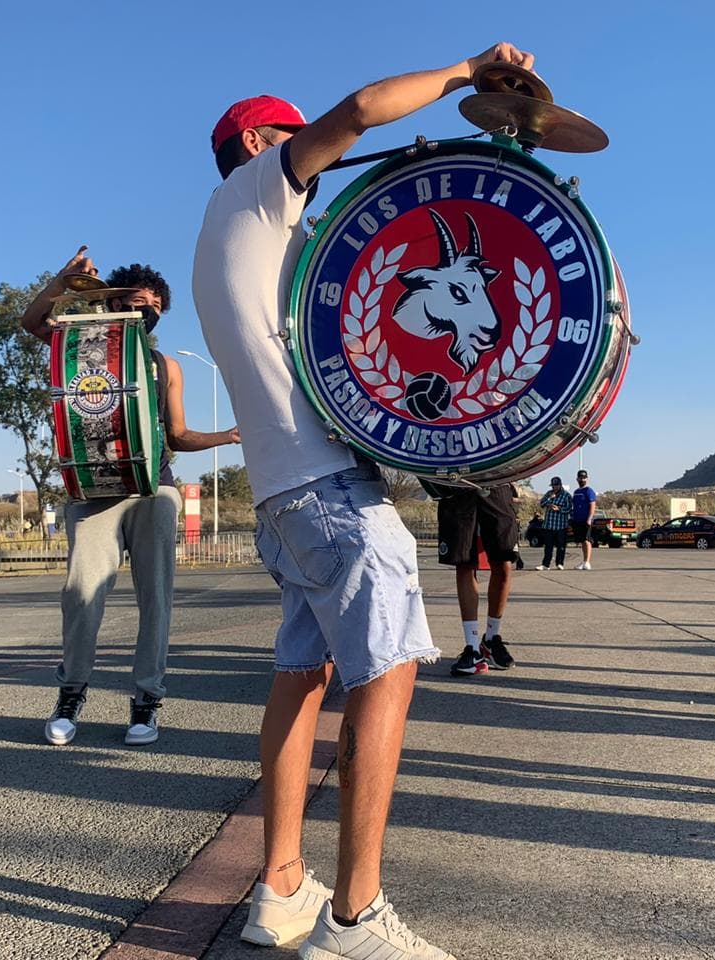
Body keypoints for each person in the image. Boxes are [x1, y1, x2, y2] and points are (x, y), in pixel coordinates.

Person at [192, 43, 534, 960]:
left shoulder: (230, 233)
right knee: (387, 673)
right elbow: (362, 109)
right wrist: (466, 72)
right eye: (293, 133)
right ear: (263, 139)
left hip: (280, 498)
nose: (318, 148)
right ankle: (356, 917)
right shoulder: (263, 189)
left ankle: (280, 890)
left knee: (300, 679)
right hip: (331, 496)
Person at [21, 248, 241, 746]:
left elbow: (178, 435)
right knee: (81, 598)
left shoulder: (166, 366)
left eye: (150, 302)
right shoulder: (81, 343)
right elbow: (33, 320)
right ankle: (70, 695)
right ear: (109, 302)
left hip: (153, 486)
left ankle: (146, 703)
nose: (141, 308)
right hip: (94, 487)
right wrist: (64, 280)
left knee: (155, 600)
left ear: (161, 309)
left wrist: (225, 437)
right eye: (127, 300)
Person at [428, 481, 519, 677]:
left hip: (496, 482)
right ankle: (472, 648)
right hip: (457, 484)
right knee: (465, 563)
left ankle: (491, 639)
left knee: (504, 562)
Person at [537, 476, 571, 570]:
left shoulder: (566, 495)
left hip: (561, 526)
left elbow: (569, 508)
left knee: (561, 546)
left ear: (560, 485)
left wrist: (559, 509)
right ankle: (545, 564)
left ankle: (560, 563)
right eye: (553, 486)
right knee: (548, 547)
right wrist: (549, 499)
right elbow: (542, 504)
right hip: (549, 525)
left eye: (556, 485)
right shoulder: (549, 493)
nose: (554, 488)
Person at [571, 469, 597, 570]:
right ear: (577, 479)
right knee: (582, 541)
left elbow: (592, 505)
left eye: (584, 478)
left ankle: (587, 562)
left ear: (587, 479)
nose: (582, 479)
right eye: (580, 478)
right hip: (577, 520)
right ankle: (584, 561)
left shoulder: (589, 491)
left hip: (586, 520)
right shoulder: (576, 492)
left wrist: (589, 518)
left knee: (587, 540)